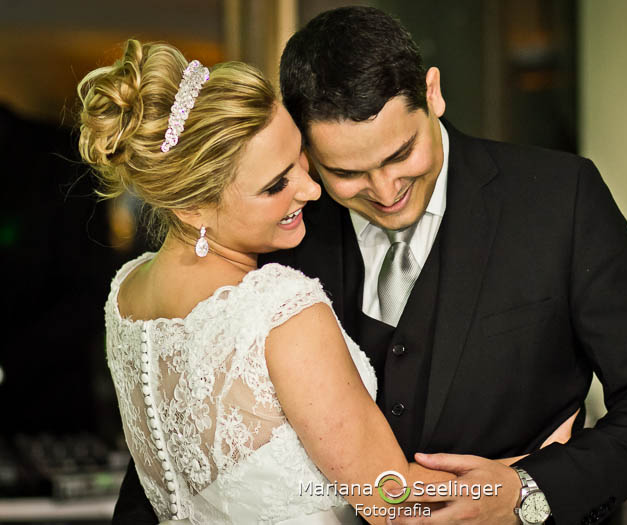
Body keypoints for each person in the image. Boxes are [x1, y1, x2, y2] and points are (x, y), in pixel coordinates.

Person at [114, 6, 627, 525]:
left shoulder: (558, 198)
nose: (385, 190)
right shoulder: (280, 229)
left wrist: (530, 491)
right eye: (345, 172)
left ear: (433, 93)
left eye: (401, 153)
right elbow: (183, 452)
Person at [82, 39, 541, 525]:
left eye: (300, 158)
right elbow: (396, 506)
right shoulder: (279, 311)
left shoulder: (127, 293)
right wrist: (527, 476)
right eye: (275, 185)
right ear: (192, 208)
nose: (311, 189)